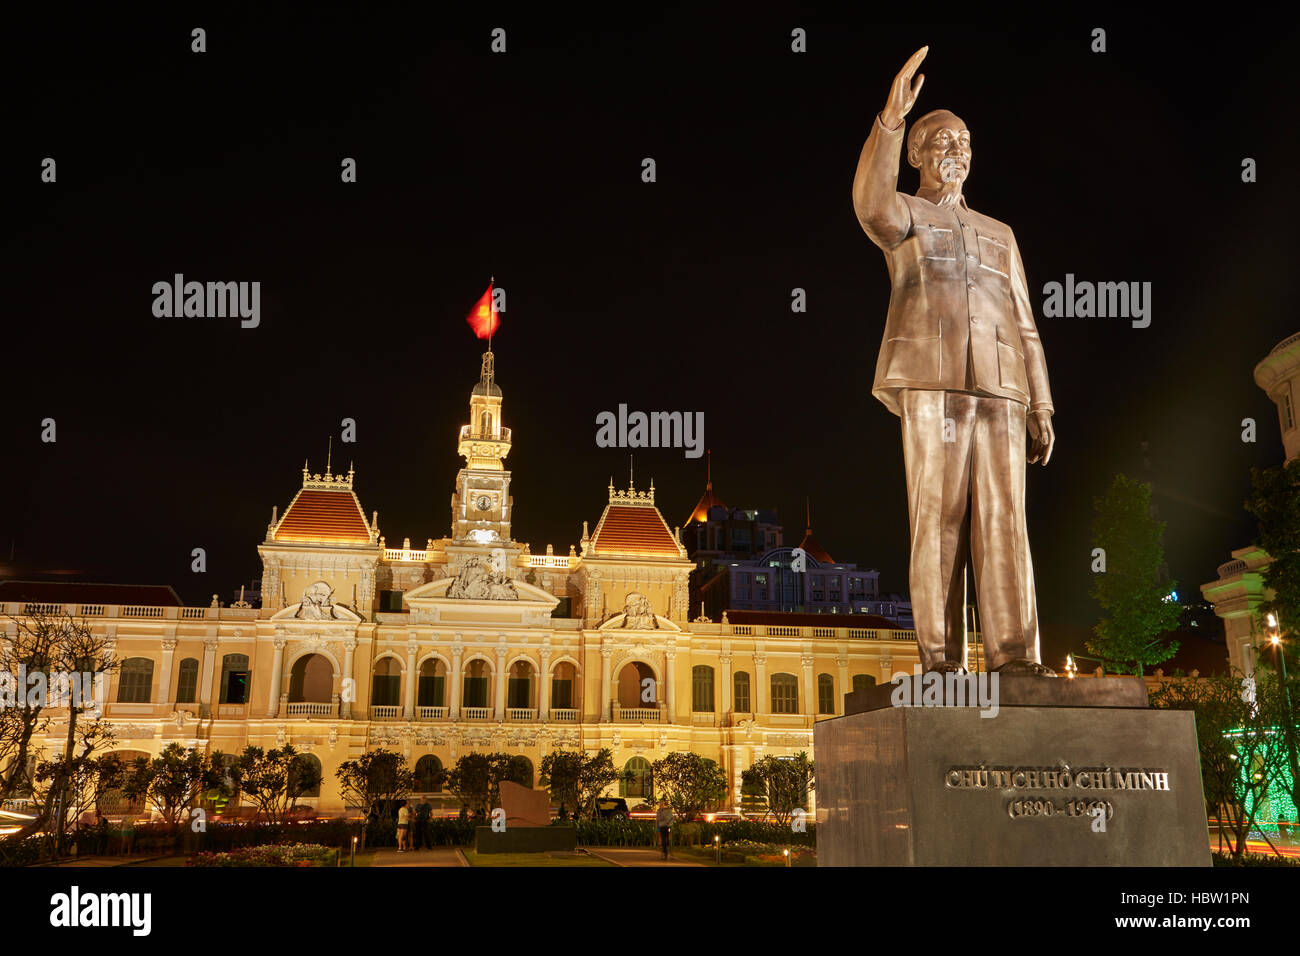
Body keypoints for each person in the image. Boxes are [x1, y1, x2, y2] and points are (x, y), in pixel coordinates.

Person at [851, 46, 1056, 677]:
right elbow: (870, 204)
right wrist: (889, 122)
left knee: (1005, 521)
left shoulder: (1000, 232)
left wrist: (1042, 401)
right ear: (916, 154)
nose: (957, 150)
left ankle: (1016, 658)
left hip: (1003, 388)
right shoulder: (905, 215)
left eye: (965, 141)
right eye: (942, 139)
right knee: (937, 521)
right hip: (930, 382)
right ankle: (942, 663)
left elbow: (1026, 321)